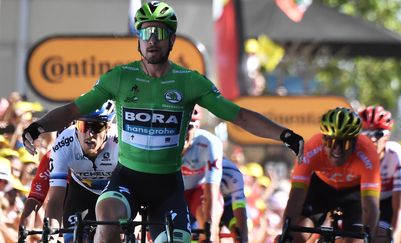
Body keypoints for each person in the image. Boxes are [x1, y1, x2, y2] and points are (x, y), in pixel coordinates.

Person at [21, 2, 304, 242]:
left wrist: (285, 135)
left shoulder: (190, 82)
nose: (152, 39)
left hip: (167, 185)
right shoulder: (119, 78)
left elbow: (239, 115)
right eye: (145, 32)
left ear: (171, 40)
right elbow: (73, 109)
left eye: (159, 32)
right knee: (106, 220)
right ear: (138, 40)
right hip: (127, 177)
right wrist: (38, 126)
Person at [277, 107, 381, 243]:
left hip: (353, 195)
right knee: (297, 235)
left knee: (356, 240)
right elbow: (296, 197)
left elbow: (371, 207)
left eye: (345, 143)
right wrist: (287, 235)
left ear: (356, 142)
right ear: (323, 140)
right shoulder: (310, 149)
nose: (337, 150)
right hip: (320, 189)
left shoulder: (368, 154)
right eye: (331, 142)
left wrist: (369, 238)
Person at [45, 101, 117, 242]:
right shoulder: (64, 143)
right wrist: (51, 236)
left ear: (107, 128)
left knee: (113, 236)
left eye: (97, 127)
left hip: (114, 194)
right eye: (84, 126)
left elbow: (135, 187)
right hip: (81, 192)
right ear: (76, 127)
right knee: (72, 239)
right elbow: (55, 200)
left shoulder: (120, 143)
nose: (90, 134)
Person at [358, 106, 401, 243]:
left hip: (387, 204)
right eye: (366, 133)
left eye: (378, 133)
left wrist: (395, 238)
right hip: (360, 201)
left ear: (387, 136)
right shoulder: (353, 155)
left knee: (382, 235)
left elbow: (399, 208)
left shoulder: (397, 156)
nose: (372, 139)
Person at [181, 107, 224, 242]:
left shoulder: (210, 143)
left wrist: (209, 228)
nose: (183, 134)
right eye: (179, 128)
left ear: (197, 127)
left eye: (188, 128)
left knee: (210, 213)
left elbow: (212, 187)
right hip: (172, 190)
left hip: (197, 192)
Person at [219, 158, 248, 243]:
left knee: (238, 229)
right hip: (202, 200)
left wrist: (243, 239)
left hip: (227, 204)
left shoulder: (232, 172)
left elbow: (240, 211)